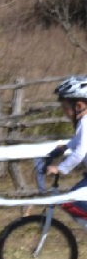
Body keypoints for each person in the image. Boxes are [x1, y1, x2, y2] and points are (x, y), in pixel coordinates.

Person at [42, 75, 87, 222]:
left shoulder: (85, 122)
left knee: (71, 202)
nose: (63, 111)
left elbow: (80, 153)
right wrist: (66, 147)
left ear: (78, 106)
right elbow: (79, 140)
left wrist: (60, 168)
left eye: (65, 107)